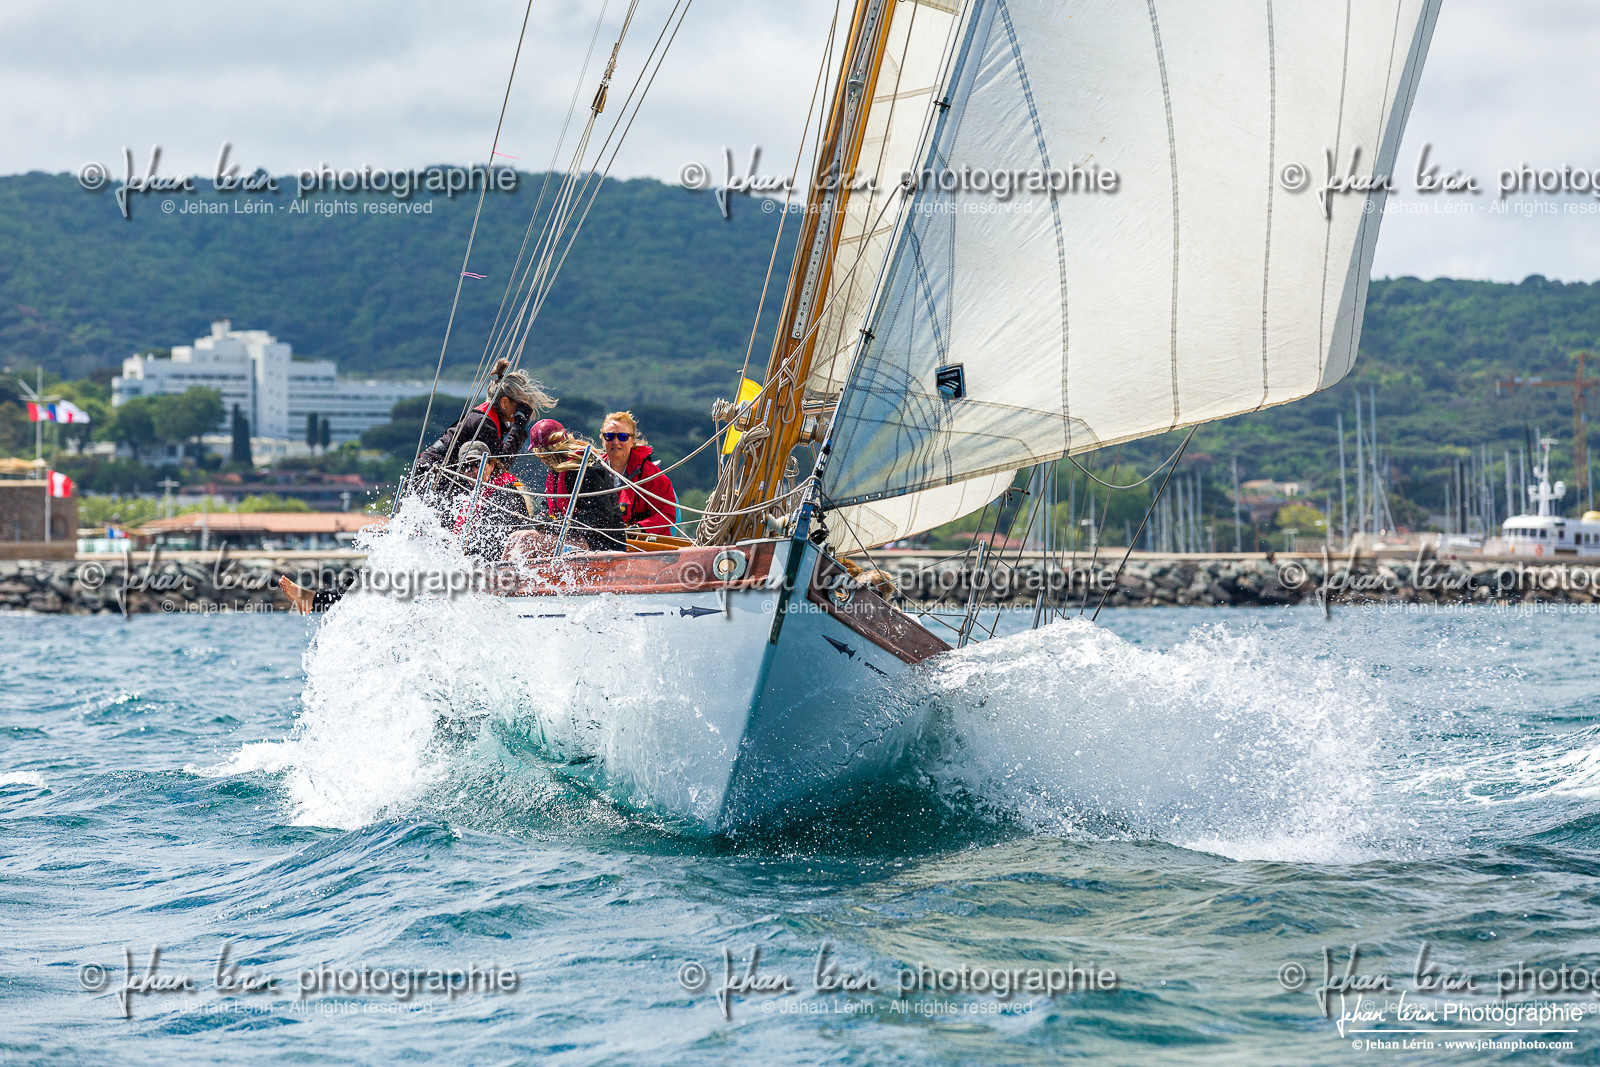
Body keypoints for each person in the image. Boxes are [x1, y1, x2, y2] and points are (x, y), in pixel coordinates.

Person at [414, 358, 554, 484]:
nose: (522, 411)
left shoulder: (486, 418)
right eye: (520, 405)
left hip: (434, 467)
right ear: (504, 403)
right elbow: (502, 462)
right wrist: (519, 426)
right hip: (433, 470)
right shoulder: (484, 423)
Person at [530, 420, 628, 552]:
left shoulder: (587, 471)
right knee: (516, 538)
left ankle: (510, 572)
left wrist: (558, 526)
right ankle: (502, 573)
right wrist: (539, 520)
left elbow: (601, 518)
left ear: (544, 453)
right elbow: (544, 508)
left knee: (526, 539)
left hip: (602, 545)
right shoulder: (556, 473)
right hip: (572, 538)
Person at [599, 410, 678, 539]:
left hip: (645, 543)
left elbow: (667, 514)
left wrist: (640, 529)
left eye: (623, 437)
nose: (615, 442)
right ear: (603, 440)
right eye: (609, 436)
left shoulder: (651, 474)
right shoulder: (593, 471)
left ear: (632, 441)